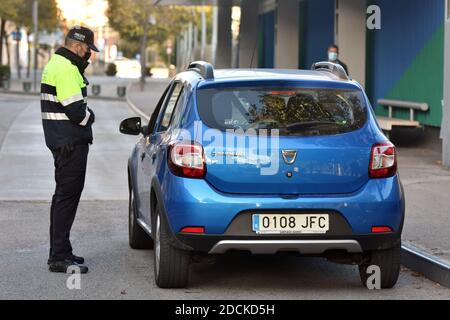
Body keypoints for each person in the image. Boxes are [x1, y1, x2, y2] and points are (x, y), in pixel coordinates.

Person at [40, 26, 99, 273]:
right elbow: (77, 112)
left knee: (63, 197)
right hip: (69, 144)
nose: (89, 54)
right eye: (87, 49)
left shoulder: (59, 64)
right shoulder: (65, 68)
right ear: (77, 46)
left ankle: (62, 250)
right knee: (66, 198)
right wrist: (91, 116)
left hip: (64, 142)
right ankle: (59, 257)